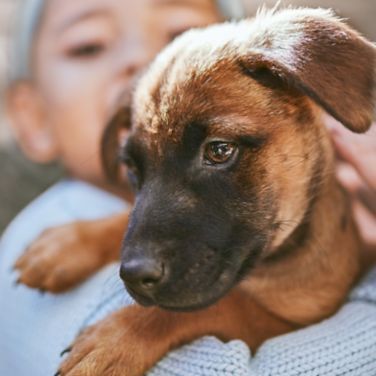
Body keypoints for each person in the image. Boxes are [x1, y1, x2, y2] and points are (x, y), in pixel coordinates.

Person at [0, 1, 375, 375]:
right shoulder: (49, 232)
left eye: (219, 150)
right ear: (31, 115)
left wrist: (160, 324)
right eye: (88, 46)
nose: (139, 57)